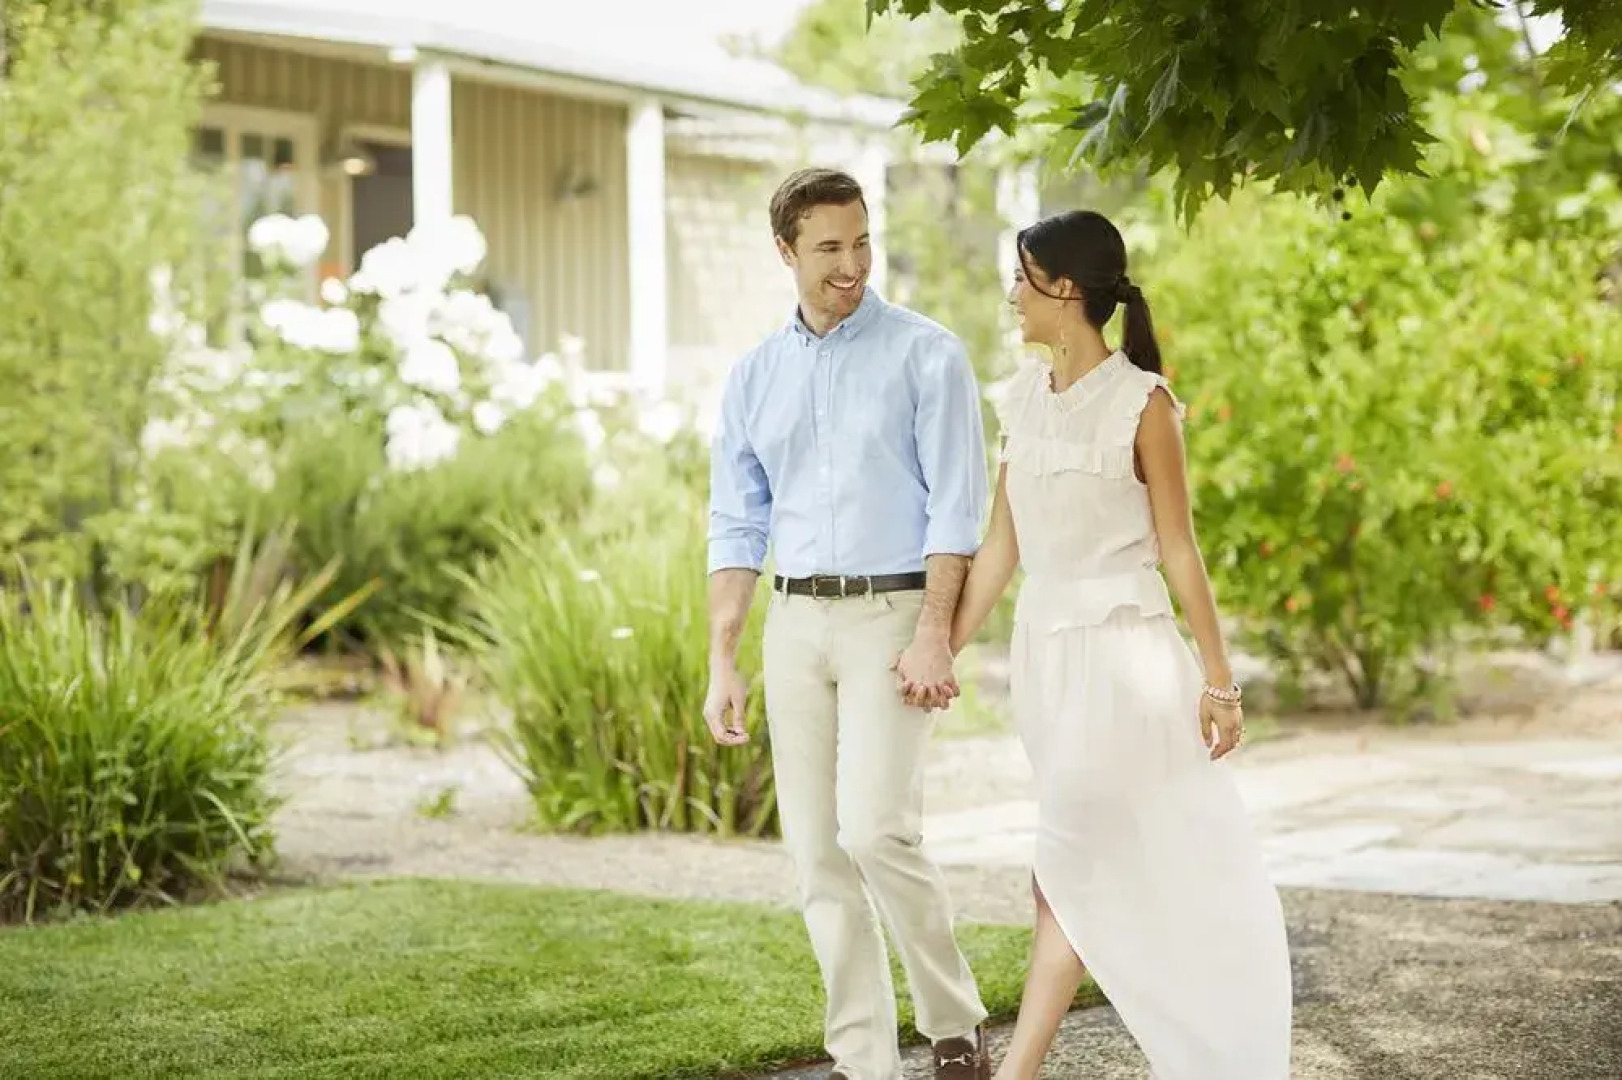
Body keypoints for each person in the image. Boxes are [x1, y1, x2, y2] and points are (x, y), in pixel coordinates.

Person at [947, 210, 1294, 1080]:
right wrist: (939, 650)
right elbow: (1001, 547)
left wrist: (1220, 681)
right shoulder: (1021, 398)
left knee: (1063, 866)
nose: (1010, 295)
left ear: (1065, 292)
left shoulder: (1145, 404)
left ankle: (1016, 1071)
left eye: (1021, 278)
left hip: (1125, 663)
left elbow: (1180, 548)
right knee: (1093, 867)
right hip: (1046, 662)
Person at [703, 167, 995, 1080]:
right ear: (785, 252)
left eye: (861, 241)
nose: (852, 263)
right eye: (829, 247)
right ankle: (864, 1059)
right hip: (794, 623)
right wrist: (724, 658)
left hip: (892, 614)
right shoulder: (754, 376)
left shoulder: (927, 354)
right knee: (818, 856)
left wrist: (935, 630)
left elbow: (958, 505)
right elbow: (737, 522)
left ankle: (953, 1021)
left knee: (876, 830)